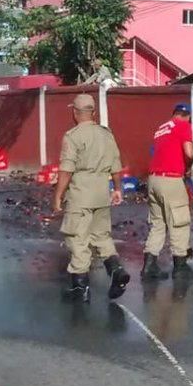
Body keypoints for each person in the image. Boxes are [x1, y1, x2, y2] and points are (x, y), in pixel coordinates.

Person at [52, 93, 130, 303]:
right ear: (93, 112)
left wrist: (58, 196)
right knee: (102, 236)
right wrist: (117, 188)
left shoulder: (73, 136)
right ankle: (116, 270)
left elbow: (67, 170)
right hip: (101, 193)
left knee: (77, 239)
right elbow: (116, 164)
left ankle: (80, 287)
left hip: (81, 194)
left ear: (75, 113)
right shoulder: (106, 134)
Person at [142, 102, 193, 280]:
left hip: (153, 180)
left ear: (174, 113)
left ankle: (149, 266)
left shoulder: (161, 128)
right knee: (179, 221)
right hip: (171, 180)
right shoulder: (183, 126)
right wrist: (188, 167)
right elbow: (189, 153)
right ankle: (180, 267)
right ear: (187, 116)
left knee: (158, 223)